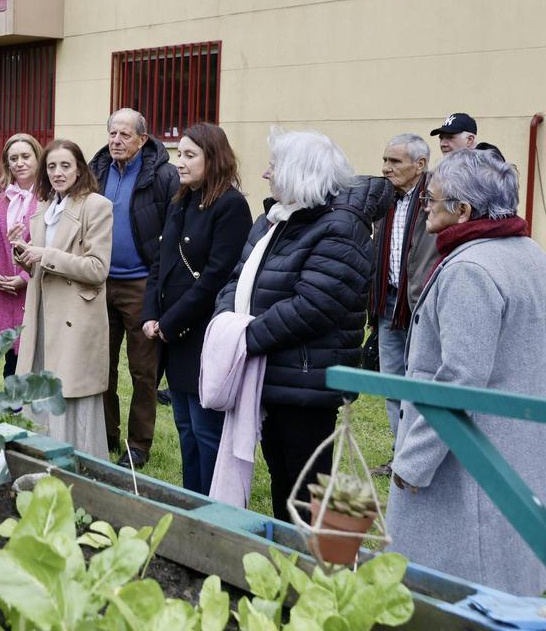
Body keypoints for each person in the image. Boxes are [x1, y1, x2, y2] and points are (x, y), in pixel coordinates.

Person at [388, 149, 546, 596]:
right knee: (508, 584)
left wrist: (412, 463)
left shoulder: (471, 270)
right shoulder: (528, 254)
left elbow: (459, 378)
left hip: (469, 466)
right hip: (516, 452)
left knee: (460, 593)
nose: (424, 205)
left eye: (432, 199)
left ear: (464, 211)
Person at [214, 129, 391, 518]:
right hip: (270, 374)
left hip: (307, 381)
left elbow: (313, 306)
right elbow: (236, 278)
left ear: (299, 174)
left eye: (274, 167)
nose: (265, 174)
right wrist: (225, 321)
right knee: (282, 479)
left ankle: (316, 571)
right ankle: (287, 564)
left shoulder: (342, 227)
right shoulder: (273, 220)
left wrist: (243, 339)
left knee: (308, 488)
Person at [141, 123, 252, 495]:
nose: (181, 162)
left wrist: (169, 323)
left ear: (213, 157)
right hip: (171, 331)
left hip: (203, 331)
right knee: (185, 426)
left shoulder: (231, 205)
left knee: (205, 430)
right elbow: (161, 261)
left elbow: (216, 276)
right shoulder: (182, 198)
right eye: (179, 154)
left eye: (190, 155)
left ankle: (211, 507)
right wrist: (149, 314)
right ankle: (192, 502)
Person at [88, 108, 179, 468]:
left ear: (143, 139)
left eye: (125, 135)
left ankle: (138, 443)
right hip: (98, 280)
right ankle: (106, 434)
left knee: (144, 370)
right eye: (112, 133)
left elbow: (173, 229)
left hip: (141, 283)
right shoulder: (96, 170)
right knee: (101, 365)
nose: (116, 141)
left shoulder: (163, 175)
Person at [13, 139, 113, 459]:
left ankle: (79, 460)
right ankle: (42, 457)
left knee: (71, 390)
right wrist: (24, 254)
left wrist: (45, 254)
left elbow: (98, 268)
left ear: (80, 169)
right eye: (52, 166)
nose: (57, 173)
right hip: (43, 312)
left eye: (65, 165)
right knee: (42, 382)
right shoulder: (45, 207)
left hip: (75, 317)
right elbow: (41, 263)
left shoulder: (96, 205)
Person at [367, 134, 434, 474]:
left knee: (418, 382)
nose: (385, 168)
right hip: (388, 300)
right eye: (385, 160)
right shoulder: (383, 197)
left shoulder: (437, 196)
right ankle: (400, 457)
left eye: (395, 161)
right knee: (392, 382)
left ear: (420, 165)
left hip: (420, 304)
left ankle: (418, 459)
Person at [0, 133, 43, 377]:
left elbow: (56, 242)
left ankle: (36, 410)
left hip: (37, 287)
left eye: (26, 156)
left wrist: (25, 278)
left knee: (37, 352)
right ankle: (13, 408)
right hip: (5, 289)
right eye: (13, 158)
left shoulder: (49, 194)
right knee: (11, 356)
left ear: (38, 158)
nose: (20, 163)